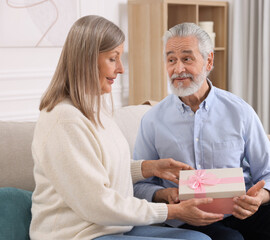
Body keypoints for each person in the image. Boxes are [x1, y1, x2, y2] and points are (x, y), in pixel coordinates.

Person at [30, 16, 224, 240]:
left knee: (198, 238)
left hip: (112, 228)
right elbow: (98, 204)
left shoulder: (93, 108)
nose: (121, 69)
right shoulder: (64, 121)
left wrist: (148, 168)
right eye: (113, 59)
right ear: (86, 60)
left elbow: (98, 168)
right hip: (78, 234)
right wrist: (171, 211)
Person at [133, 22, 270, 240]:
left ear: (208, 60)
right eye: (171, 59)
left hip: (240, 209)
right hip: (188, 217)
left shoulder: (239, 111)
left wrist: (260, 197)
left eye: (187, 59)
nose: (178, 69)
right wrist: (163, 194)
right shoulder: (153, 120)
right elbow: (138, 185)